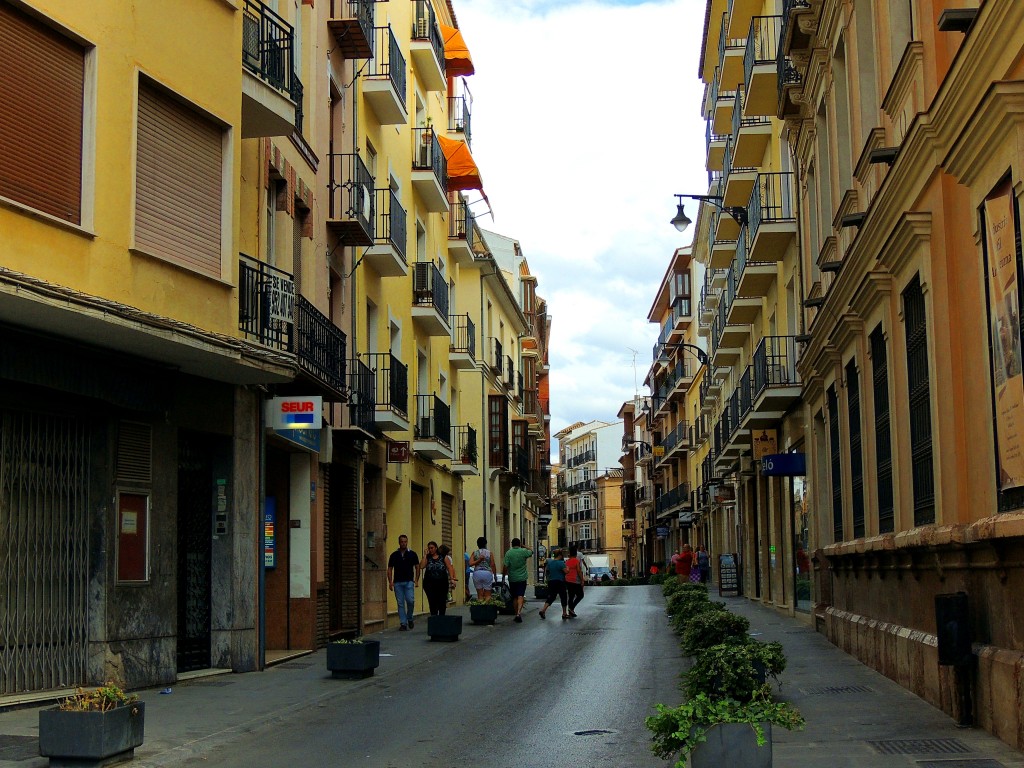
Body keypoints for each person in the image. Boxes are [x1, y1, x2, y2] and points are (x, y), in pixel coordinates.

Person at [387, 534, 419, 630]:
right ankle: (403, 623)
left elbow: (417, 567)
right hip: (397, 582)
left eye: (405, 541)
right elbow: (389, 569)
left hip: (409, 581)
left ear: (407, 542)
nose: (403, 543)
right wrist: (390, 582)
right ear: (399, 542)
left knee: (410, 601)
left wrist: (416, 580)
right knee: (400, 603)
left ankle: (409, 617)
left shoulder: (412, 554)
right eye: (402, 542)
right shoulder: (394, 555)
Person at [502, 537, 534, 623]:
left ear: (512, 544)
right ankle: (519, 613)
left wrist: (504, 576)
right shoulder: (523, 551)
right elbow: (531, 551)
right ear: (519, 544)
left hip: (512, 578)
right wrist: (524, 546)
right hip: (522, 578)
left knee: (515, 597)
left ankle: (516, 613)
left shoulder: (508, 553)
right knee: (520, 595)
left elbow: (505, 565)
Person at [420, 541, 456, 616]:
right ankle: (434, 617)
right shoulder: (428, 557)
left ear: (436, 548)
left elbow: (450, 567)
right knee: (432, 601)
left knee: (441, 601)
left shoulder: (443, 557)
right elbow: (422, 566)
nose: (430, 550)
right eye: (429, 548)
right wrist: (425, 555)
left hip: (442, 583)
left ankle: (441, 617)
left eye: (432, 548)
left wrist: (452, 578)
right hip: (429, 583)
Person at [538, 548, 568, 620]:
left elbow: (547, 571)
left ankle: (543, 610)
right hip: (560, 581)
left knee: (551, 597)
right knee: (563, 596)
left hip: (551, 581)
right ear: (560, 555)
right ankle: (564, 613)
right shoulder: (561, 563)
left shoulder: (550, 563)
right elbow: (566, 572)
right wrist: (567, 567)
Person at [564, 545, 585, 618]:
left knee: (571, 596)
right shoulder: (576, 561)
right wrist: (582, 580)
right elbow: (579, 571)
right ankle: (571, 608)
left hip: (568, 580)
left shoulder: (567, 561)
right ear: (576, 553)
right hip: (575, 580)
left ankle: (570, 612)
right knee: (580, 595)